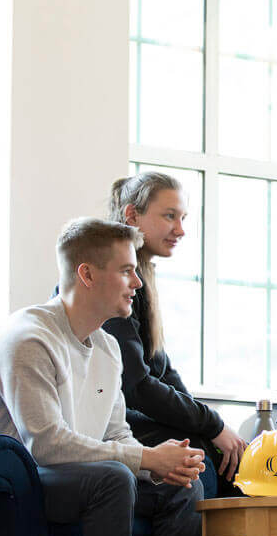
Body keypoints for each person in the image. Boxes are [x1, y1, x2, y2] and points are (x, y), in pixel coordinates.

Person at [0, 218, 205, 536]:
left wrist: (162, 465)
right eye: (127, 271)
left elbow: (117, 433)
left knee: (181, 485)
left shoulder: (107, 347)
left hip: (76, 475)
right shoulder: (28, 338)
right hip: (20, 481)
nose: (138, 283)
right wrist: (147, 459)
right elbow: (46, 444)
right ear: (87, 274)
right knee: (112, 479)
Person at [104, 171, 247, 493]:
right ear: (132, 215)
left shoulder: (143, 280)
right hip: (116, 425)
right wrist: (212, 425)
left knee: (239, 461)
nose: (180, 230)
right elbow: (136, 385)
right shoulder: (112, 285)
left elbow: (163, 370)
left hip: (138, 418)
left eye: (182, 218)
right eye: (170, 216)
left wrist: (216, 426)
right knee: (202, 457)